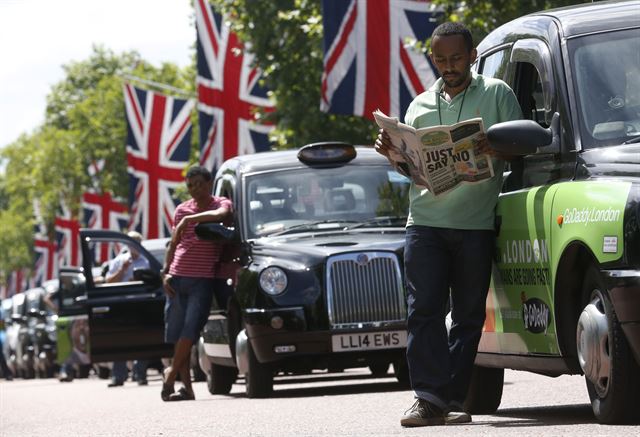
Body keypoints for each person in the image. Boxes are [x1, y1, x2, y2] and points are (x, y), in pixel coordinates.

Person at [375, 22, 522, 427]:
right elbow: (411, 169)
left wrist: (499, 147)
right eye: (440, 59)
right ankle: (426, 398)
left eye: (456, 58)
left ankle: (451, 399)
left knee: (469, 315)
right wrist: (394, 154)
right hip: (424, 223)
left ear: (472, 56)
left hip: (475, 225)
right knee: (423, 311)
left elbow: (522, 149)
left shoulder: (497, 94)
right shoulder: (419, 105)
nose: (448, 66)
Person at [161, 165, 232, 402]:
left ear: (209, 183)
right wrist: (165, 272)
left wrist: (190, 219)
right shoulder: (181, 210)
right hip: (177, 277)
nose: (195, 189)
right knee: (180, 332)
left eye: (199, 184)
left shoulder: (220, 203)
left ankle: (171, 375)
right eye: (190, 186)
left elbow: (221, 216)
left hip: (202, 280)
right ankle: (187, 389)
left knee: (190, 332)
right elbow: (174, 244)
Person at [105, 230, 150, 387]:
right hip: (122, 304)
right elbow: (108, 281)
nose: (134, 246)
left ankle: (140, 374)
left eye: (137, 242)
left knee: (142, 340)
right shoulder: (119, 261)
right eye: (131, 243)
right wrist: (122, 271)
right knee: (120, 340)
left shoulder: (146, 261)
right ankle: (118, 375)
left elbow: (152, 280)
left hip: (140, 304)